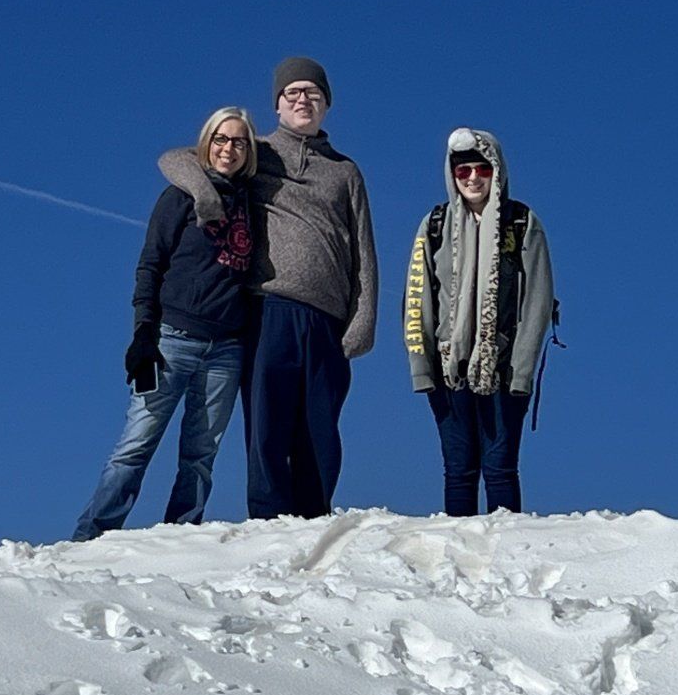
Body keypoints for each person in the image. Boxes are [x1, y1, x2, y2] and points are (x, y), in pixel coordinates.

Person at [159, 57, 377, 519]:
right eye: (293, 93)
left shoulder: (345, 172)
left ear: (326, 106)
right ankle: (269, 521)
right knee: (267, 424)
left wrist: (363, 321)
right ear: (277, 104)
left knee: (319, 427)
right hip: (268, 308)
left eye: (313, 94)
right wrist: (205, 193)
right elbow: (176, 159)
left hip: (328, 319)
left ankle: (314, 515)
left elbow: (364, 251)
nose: (303, 100)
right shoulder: (257, 154)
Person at [72, 108, 257, 542]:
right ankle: (91, 536)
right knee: (136, 444)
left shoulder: (254, 200)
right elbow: (150, 265)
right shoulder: (179, 196)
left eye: (238, 142)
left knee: (201, 453)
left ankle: (179, 537)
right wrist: (143, 331)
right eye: (220, 139)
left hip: (226, 346)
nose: (228, 149)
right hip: (173, 337)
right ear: (206, 142)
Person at [404, 127, 555, 516]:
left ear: (497, 170)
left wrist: (521, 372)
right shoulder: (434, 225)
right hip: (447, 368)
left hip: (502, 369)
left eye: (482, 169)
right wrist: (422, 368)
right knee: (458, 471)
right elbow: (417, 299)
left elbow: (536, 300)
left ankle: (504, 558)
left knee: (500, 468)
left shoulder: (521, 223)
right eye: (463, 170)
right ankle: (458, 558)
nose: (472, 178)